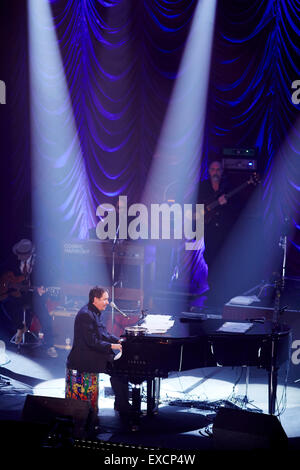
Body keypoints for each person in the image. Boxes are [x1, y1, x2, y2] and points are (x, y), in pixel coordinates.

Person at [66, 286, 131, 418]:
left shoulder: (94, 312)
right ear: (95, 299)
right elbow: (92, 342)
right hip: (84, 357)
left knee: (121, 369)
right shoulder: (85, 314)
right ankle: (123, 407)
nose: (107, 302)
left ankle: (121, 404)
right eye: (105, 299)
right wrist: (113, 346)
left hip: (92, 352)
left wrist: (118, 341)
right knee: (118, 368)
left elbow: (104, 333)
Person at [0, 239, 58, 358]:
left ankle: (50, 346)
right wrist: (8, 282)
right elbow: (3, 272)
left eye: (22, 254)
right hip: (16, 295)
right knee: (6, 303)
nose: (19, 257)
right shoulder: (12, 262)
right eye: (19, 254)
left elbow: (49, 277)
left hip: (34, 295)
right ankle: (20, 328)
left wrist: (43, 288)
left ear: (29, 253)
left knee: (45, 316)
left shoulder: (40, 263)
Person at [197, 160, 234, 305]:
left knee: (223, 259)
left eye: (218, 169)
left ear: (222, 171)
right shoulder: (203, 186)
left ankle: (223, 291)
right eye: (213, 169)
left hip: (224, 231)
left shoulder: (228, 187)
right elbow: (197, 204)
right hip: (209, 228)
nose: (215, 172)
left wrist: (227, 204)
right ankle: (212, 289)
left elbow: (237, 208)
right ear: (209, 171)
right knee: (209, 258)